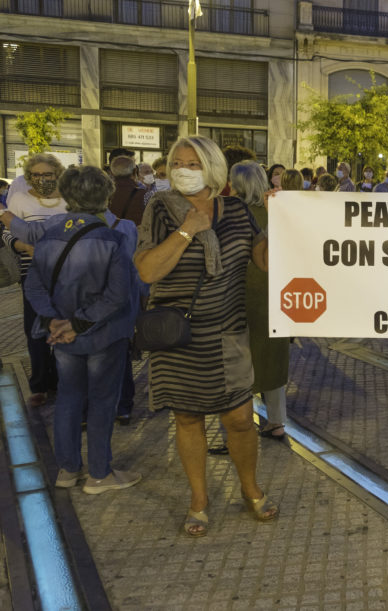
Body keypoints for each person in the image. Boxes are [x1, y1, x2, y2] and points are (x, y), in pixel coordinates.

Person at [134, 136, 277, 536]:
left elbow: (264, 261)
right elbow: (147, 271)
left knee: (239, 419)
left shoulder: (235, 210)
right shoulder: (159, 208)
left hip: (227, 333)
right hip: (178, 336)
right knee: (188, 416)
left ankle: (250, 489)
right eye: (177, 162)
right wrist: (185, 232)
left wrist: (282, 217)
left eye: (192, 163)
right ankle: (199, 500)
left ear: (212, 168)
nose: (182, 169)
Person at [15, 166, 142, 493]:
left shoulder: (49, 233)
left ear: (67, 195)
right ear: (107, 194)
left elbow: (34, 287)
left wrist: (56, 321)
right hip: (105, 333)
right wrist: (78, 323)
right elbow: (118, 294)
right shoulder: (117, 234)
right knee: (102, 402)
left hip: (62, 336)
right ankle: (100, 473)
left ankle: (67, 470)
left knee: (69, 398)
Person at [230, 161, 289, 440]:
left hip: (239, 295)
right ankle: (276, 420)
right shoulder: (276, 212)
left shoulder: (230, 213)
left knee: (239, 361)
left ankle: (239, 427)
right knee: (272, 357)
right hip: (275, 294)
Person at [3, 153, 67, 406]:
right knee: (35, 330)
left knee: (62, 327)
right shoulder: (20, 199)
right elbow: (6, 233)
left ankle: (61, 380)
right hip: (33, 274)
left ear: (57, 175)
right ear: (29, 177)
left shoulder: (70, 201)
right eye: (36, 175)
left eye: (48, 174)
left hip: (66, 275)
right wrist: (21, 245)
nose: (42, 179)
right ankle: (40, 383)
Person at [108, 154, 146, 225]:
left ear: (112, 173)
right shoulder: (143, 194)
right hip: (135, 234)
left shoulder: (105, 194)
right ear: (135, 172)